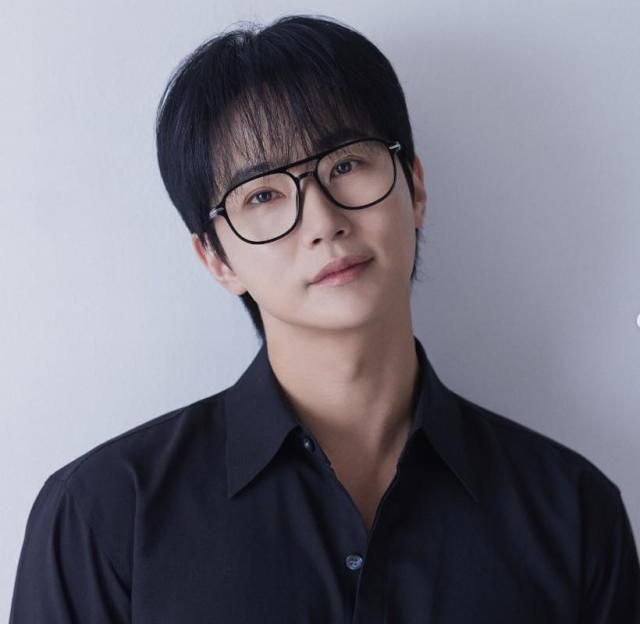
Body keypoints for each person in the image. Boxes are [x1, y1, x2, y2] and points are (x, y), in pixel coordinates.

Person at [9, 14, 640, 623]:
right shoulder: (103, 517)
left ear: (415, 188)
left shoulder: (574, 511)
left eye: (345, 164)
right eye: (263, 194)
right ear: (216, 258)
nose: (323, 222)